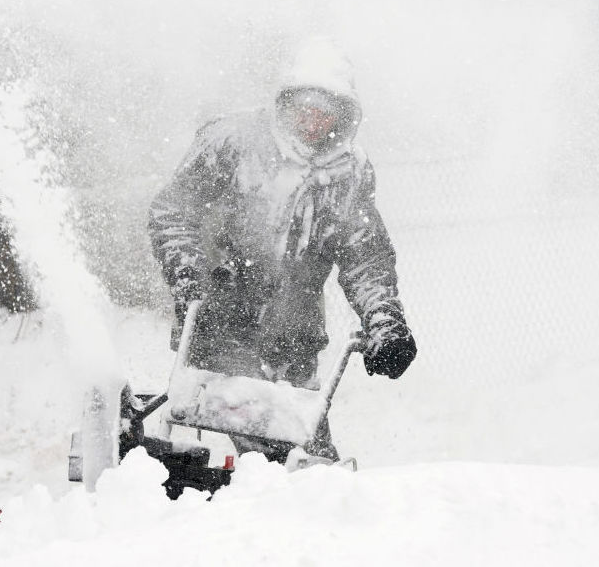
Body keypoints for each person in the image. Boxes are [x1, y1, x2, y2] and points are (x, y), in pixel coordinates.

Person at [148, 37, 416, 463]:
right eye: (304, 108)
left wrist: (385, 322)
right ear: (285, 103)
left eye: (325, 112)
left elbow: (366, 257)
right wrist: (189, 273)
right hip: (222, 319)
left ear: (343, 116)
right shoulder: (233, 142)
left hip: (294, 338)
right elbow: (172, 211)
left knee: (306, 455)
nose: (313, 121)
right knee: (273, 455)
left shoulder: (348, 174)